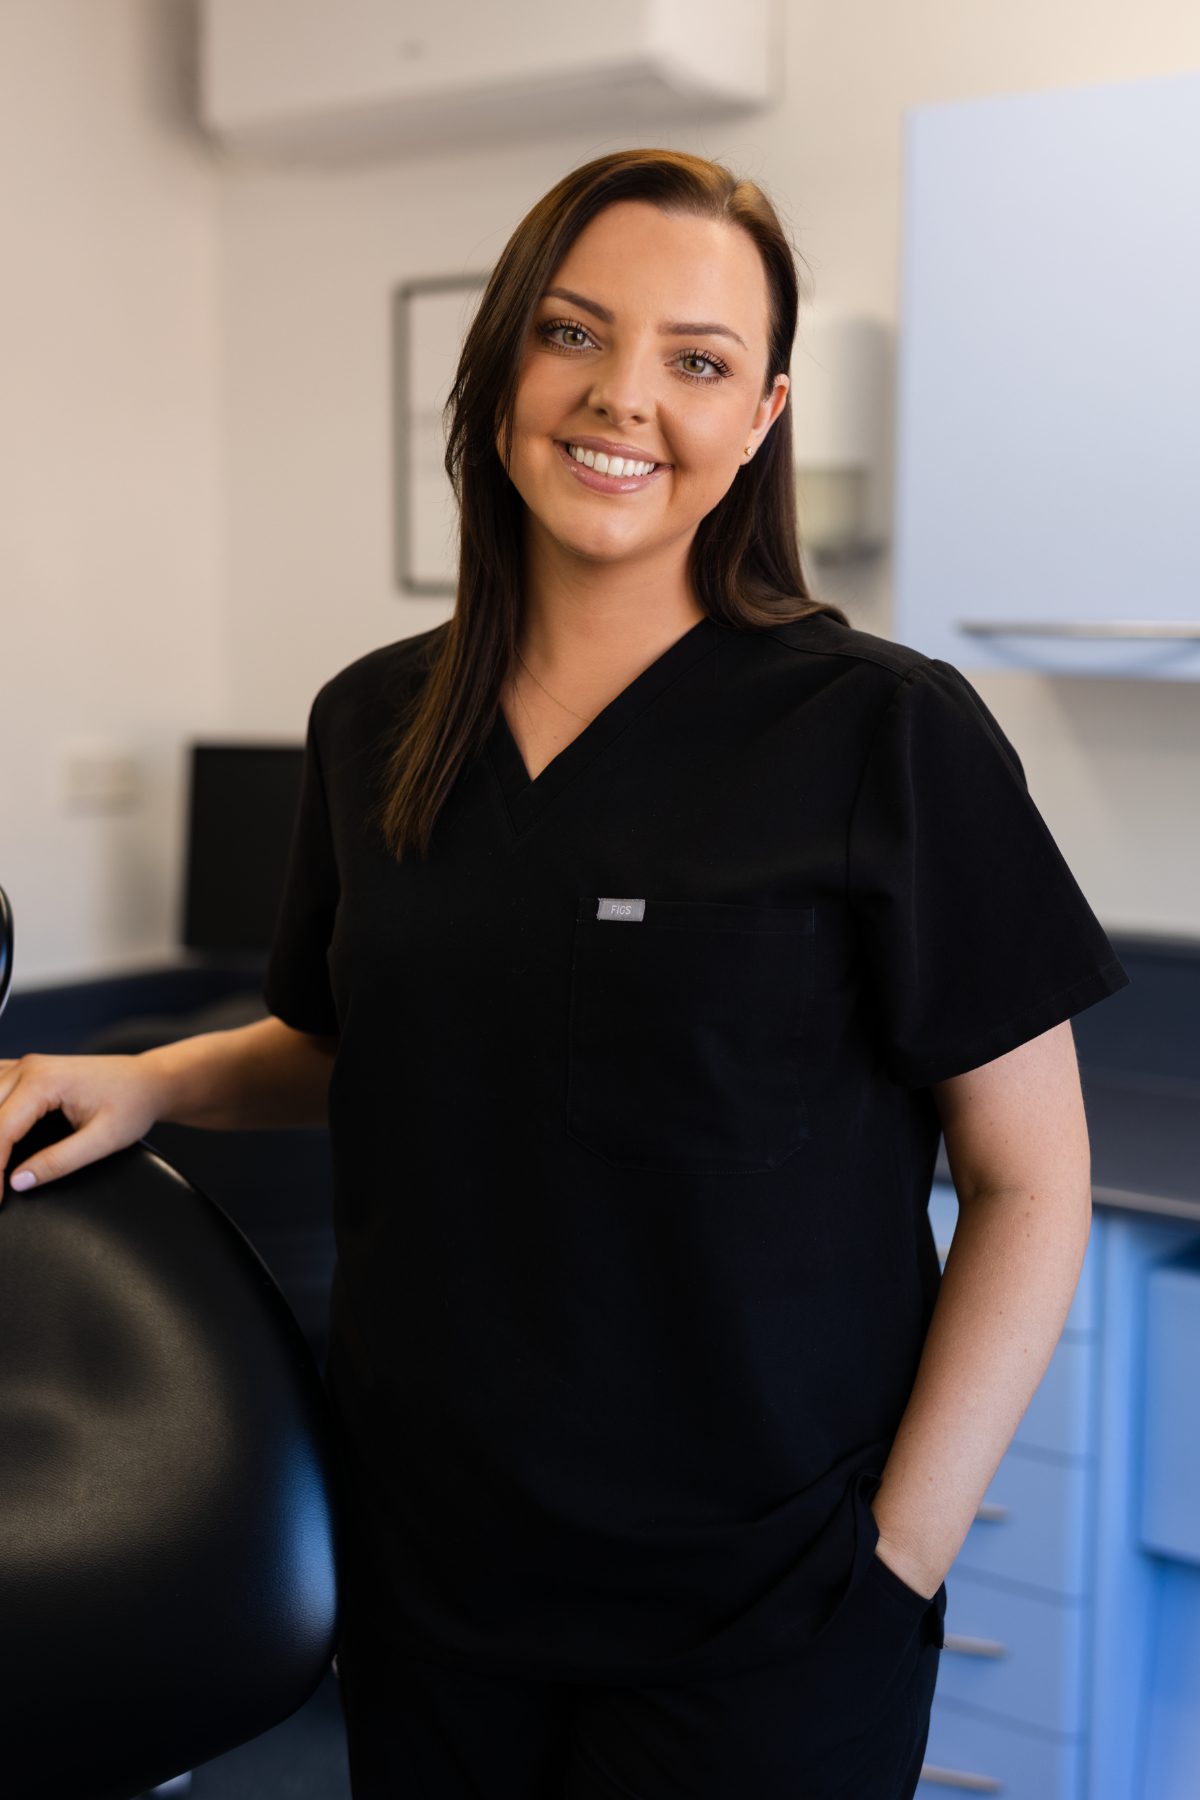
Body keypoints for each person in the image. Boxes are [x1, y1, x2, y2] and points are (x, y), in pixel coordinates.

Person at [0, 148, 1130, 1799]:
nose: (623, 399)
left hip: (765, 1618)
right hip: (435, 1582)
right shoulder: (374, 722)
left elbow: (1033, 1182)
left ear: (762, 418)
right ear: (504, 361)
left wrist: (897, 1559)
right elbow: (361, 1039)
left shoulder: (883, 734)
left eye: (698, 360)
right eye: (574, 333)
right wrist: (157, 1078)